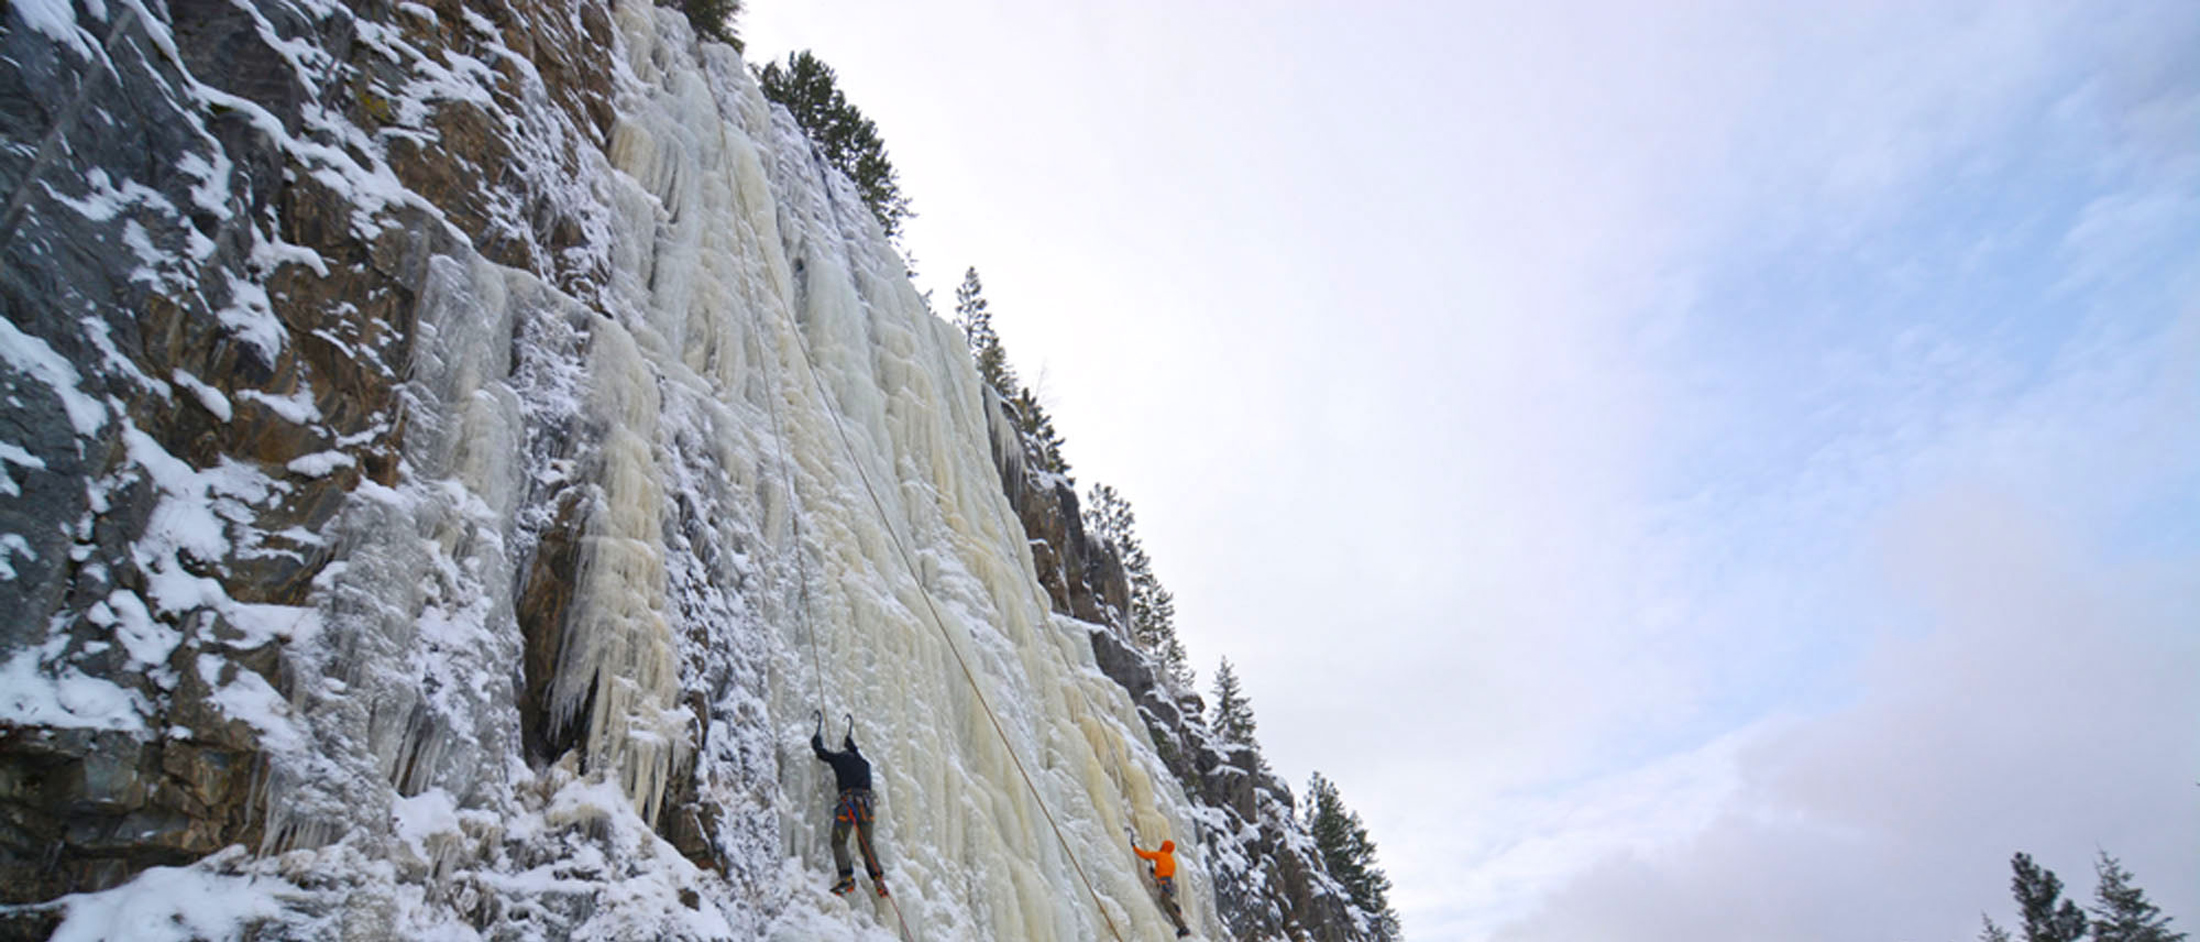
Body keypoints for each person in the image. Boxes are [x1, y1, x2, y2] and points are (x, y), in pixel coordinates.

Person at [812, 716, 887, 897]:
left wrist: (816, 740)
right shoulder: (864, 764)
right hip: (867, 807)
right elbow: (856, 754)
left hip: (848, 806)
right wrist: (853, 746)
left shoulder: (840, 759)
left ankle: (847, 878)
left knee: (838, 841)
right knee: (867, 844)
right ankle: (878, 880)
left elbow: (822, 754)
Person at [1131, 833, 1192, 938]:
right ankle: (1176, 907)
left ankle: (1182, 927)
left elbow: (1144, 855)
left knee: (1167, 905)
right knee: (1166, 900)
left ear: (1164, 847)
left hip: (1163, 884)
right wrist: (1154, 872)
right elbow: (1165, 872)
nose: (1161, 847)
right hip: (1169, 884)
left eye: (1162, 845)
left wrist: (1134, 847)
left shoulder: (1160, 855)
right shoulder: (1171, 860)